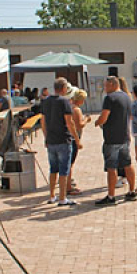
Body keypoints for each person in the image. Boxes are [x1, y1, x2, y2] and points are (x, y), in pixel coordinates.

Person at [95, 76, 137, 206]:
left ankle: (111, 195)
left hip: (112, 138)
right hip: (124, 137)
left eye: (106, 86)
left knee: (111, 166)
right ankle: (131, 191)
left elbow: (104, 116)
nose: (105, 89)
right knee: (127, 164)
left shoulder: (109, 98)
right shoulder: (126, 97)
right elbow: (129, 116)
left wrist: (98, 122)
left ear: (113, 84)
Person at [40, 78, 82, 206]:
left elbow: (43, 121)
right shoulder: (64, 102)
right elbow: (69, 122)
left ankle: (52, 195)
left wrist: (46, 137)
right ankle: (63, 197)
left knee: (53, 169)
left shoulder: (45, 101)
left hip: (51, 140)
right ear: (63, 88)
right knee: (64, 169)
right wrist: (77, 139)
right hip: (63, 139)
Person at [67, 88, 91, 196]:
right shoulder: (76, 110)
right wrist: (86, 119)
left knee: (68, 162)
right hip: (73, 137)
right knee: (70, 163)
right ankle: (68, 186)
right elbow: (79, 125)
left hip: (68, 136)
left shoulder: (69, 107)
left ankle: (67, 183)